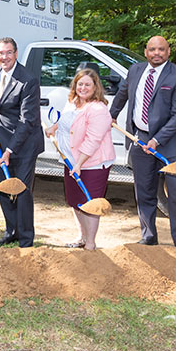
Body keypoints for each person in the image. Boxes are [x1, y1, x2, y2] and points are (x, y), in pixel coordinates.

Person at [109, 35, 176, 248]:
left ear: (168, 52)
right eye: (152, 49)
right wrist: (110, 114)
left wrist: (157, 140)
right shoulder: (135, 70)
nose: (157, 53)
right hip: (141, 140)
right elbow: (122, 94)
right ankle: (148, 236)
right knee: (144, 191)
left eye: (161, 50)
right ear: (146, 51)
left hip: (172, 144)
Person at [0, 37, 45, 248]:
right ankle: (11, 231)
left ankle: (26, 238)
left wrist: (10, 150)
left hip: (25, 143)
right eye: (1, 53)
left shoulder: (28, 79)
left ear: (16, 54)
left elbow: (27, 120)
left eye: (9, 53)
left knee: (22, 190)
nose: (5, 57)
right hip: (2, 137)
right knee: (3, 187)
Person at [46, 69, 114, 250]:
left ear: (95, 87)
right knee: (76, 202)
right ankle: (81, 237)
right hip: (71, 161)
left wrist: (79, 164)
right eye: (80, 84)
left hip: (91, 164)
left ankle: (90, 243)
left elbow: (93, 140)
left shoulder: (98, 109)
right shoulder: (73, 102)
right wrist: (54, 127)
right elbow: (66, 120)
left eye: (87, 85)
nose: (83, 88)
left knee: (89, 204)